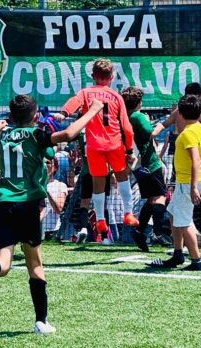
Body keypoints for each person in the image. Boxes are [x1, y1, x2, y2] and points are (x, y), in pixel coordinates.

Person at [0, 96, 104, 335]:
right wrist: (93, 110)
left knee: (3, 263)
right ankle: (41, 321)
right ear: (35, 117)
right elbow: (69, 133)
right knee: (35, 264)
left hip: (2, 203)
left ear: (10, 118)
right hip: (28, 203)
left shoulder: (4, 135)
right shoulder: (37, 134)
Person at [54, 58, 139, 234]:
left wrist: (63, 113)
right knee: (122, 177)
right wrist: (129, 150)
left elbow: (73, 102)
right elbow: (127, 128)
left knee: (98, 181)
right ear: (112, 76)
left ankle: (100, 219)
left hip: (94, 145)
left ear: (93, 76)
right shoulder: (116, 96)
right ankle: (129, 213)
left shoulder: (85, 93)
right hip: (114, 143)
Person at [148, 94, 201, 271]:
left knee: (184, 221)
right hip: (192, 180)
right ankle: (177, 254)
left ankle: (196, 261)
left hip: (188, 181)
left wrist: (192, 187)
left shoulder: (187, 134)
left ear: (180, 114)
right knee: (174, 213)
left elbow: (196, 160)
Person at [120, 86, 176, 251]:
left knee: (152, 199)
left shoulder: (125, 117)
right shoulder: (138, 116)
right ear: (138, 102)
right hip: (150, 162)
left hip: (138, 165)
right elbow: (150, 133)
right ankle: (158, 232)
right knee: (160, 197)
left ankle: (139, 231)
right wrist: (160, 123)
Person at [42, 157, 68, 240]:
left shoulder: (61, 185)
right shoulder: (32, 185)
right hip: (35, 229)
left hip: (52, 231)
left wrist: (46, 191)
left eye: (48, 163)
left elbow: (59, 209)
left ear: (55, 167)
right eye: (43, 163)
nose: (45, 165)